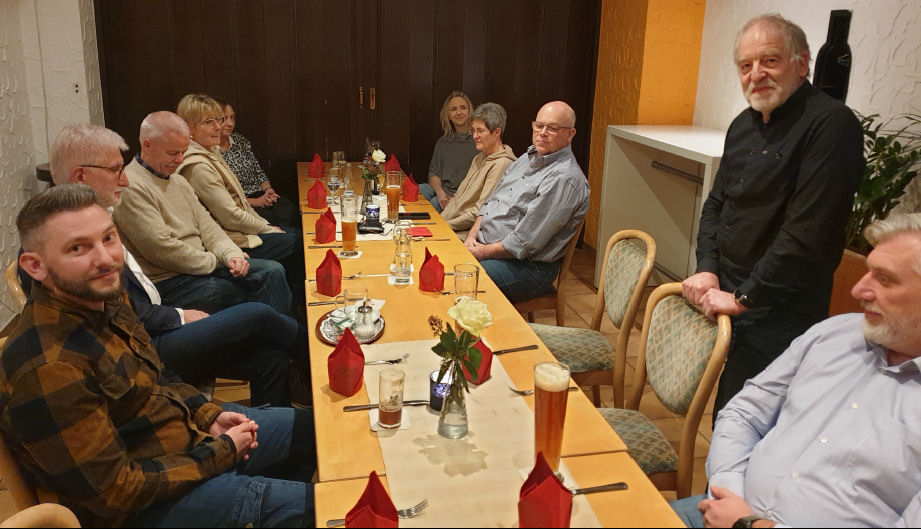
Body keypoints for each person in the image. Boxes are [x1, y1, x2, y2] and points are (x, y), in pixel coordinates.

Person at [1, 185, 316, 527]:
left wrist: (208, 415)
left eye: (108, 238)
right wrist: (222, 451)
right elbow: (116, 493)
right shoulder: (48, 367)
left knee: (317, 431)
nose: (106, 259)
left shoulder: (104, 297)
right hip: (146, 507)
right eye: (78, 248)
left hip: (186, 441)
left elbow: (158, 373)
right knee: (333, 507)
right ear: (35, 266)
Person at [670, 213, 921, 528]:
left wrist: (748, 525)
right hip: (723, 511)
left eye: (883, 278)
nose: (858, 290)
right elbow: (744, 413)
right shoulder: (834, 334)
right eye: (867, 271)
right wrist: (729, 495)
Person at [43, 123, 309, 407]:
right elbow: (126, 318)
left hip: (157, 319)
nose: (124, 180)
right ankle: (322, 360)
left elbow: (207, 228)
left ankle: (288, 418)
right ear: (80, 176)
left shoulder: (97, 219)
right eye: (116, 170)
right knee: (260, 309)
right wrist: (179, 315)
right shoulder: (67, 244)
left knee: (271, 357)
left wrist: (228, 255)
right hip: (145, 348)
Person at [681, 13, 865, 419]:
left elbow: (806, 234)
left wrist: (745, 298)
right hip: (726, 292)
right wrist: (708, 268)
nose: (756, 74)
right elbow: (716, 205)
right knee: (726, 413)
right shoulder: (742, 125)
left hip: (780, 310)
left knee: (747, 421)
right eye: (746, 65)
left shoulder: (832, 125)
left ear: (802, 63)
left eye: (770, 61)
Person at [113, 111, 292, 315]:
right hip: (170, 281)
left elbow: (209, 228)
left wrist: (231, 255)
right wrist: (218, 261)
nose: (180, 160)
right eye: (173, 153)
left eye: (183, 152)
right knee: (250, 288)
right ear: (147, 145)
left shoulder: (178, 181)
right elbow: (162, 250)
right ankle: (284, 333)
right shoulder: (131, 186)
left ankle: (289, 329)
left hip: (201, 266)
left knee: (273, 271)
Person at [175, 94, 305, 307]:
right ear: (189, 128)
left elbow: (241, 203)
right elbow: (230, 216)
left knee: (299, 232)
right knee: (299, 242)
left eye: (218, 120)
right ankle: (294, 306)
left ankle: (295, 301)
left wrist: (265, 225)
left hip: (241, 231)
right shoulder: (197, 166)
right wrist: (267, 229)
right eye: (209, 122)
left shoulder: (211, 152)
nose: (218, 126)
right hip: (233, 239)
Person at [464, 100, 589, 303]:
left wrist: (482, 252)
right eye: (539, 126)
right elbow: (491, 201)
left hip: (528, 267)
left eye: (552, 128)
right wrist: (471, 236)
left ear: (570, 134)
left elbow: (525, 241)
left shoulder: (564, 179)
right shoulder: (527, 157)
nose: (542, 133)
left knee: (462, 279)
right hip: (487, 247)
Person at [216, 97, 301, 229]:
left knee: (292, 211)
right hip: (241, 204)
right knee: (274, 219)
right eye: (224, 119)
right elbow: (222, 196)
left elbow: (257, 170)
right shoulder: (211, 152)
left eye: (232, 118)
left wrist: (268, 190)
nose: (230, 123)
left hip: (260, 193)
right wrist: (256, 202)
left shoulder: (239, 140)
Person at [440, 102, 516, 239]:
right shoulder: (479, 157)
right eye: (473, 130)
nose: (474, 136)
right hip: (447, 223)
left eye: (480, 131)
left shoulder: (502, 164)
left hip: (465, 234)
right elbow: (459, 197)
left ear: (497, 132)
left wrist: (443, 225)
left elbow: (479, 212)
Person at [419, 91, 478, 212]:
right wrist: (440, 192)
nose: (459, 112)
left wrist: (456, 198)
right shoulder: (443, 142)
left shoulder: (478, 141)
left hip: (464, 196)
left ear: (470, 111)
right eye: (453, 109)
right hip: (443, 191)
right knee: (420, 190)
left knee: (434, 203)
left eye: (463, 108)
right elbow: (433, 173)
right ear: (448, 115)